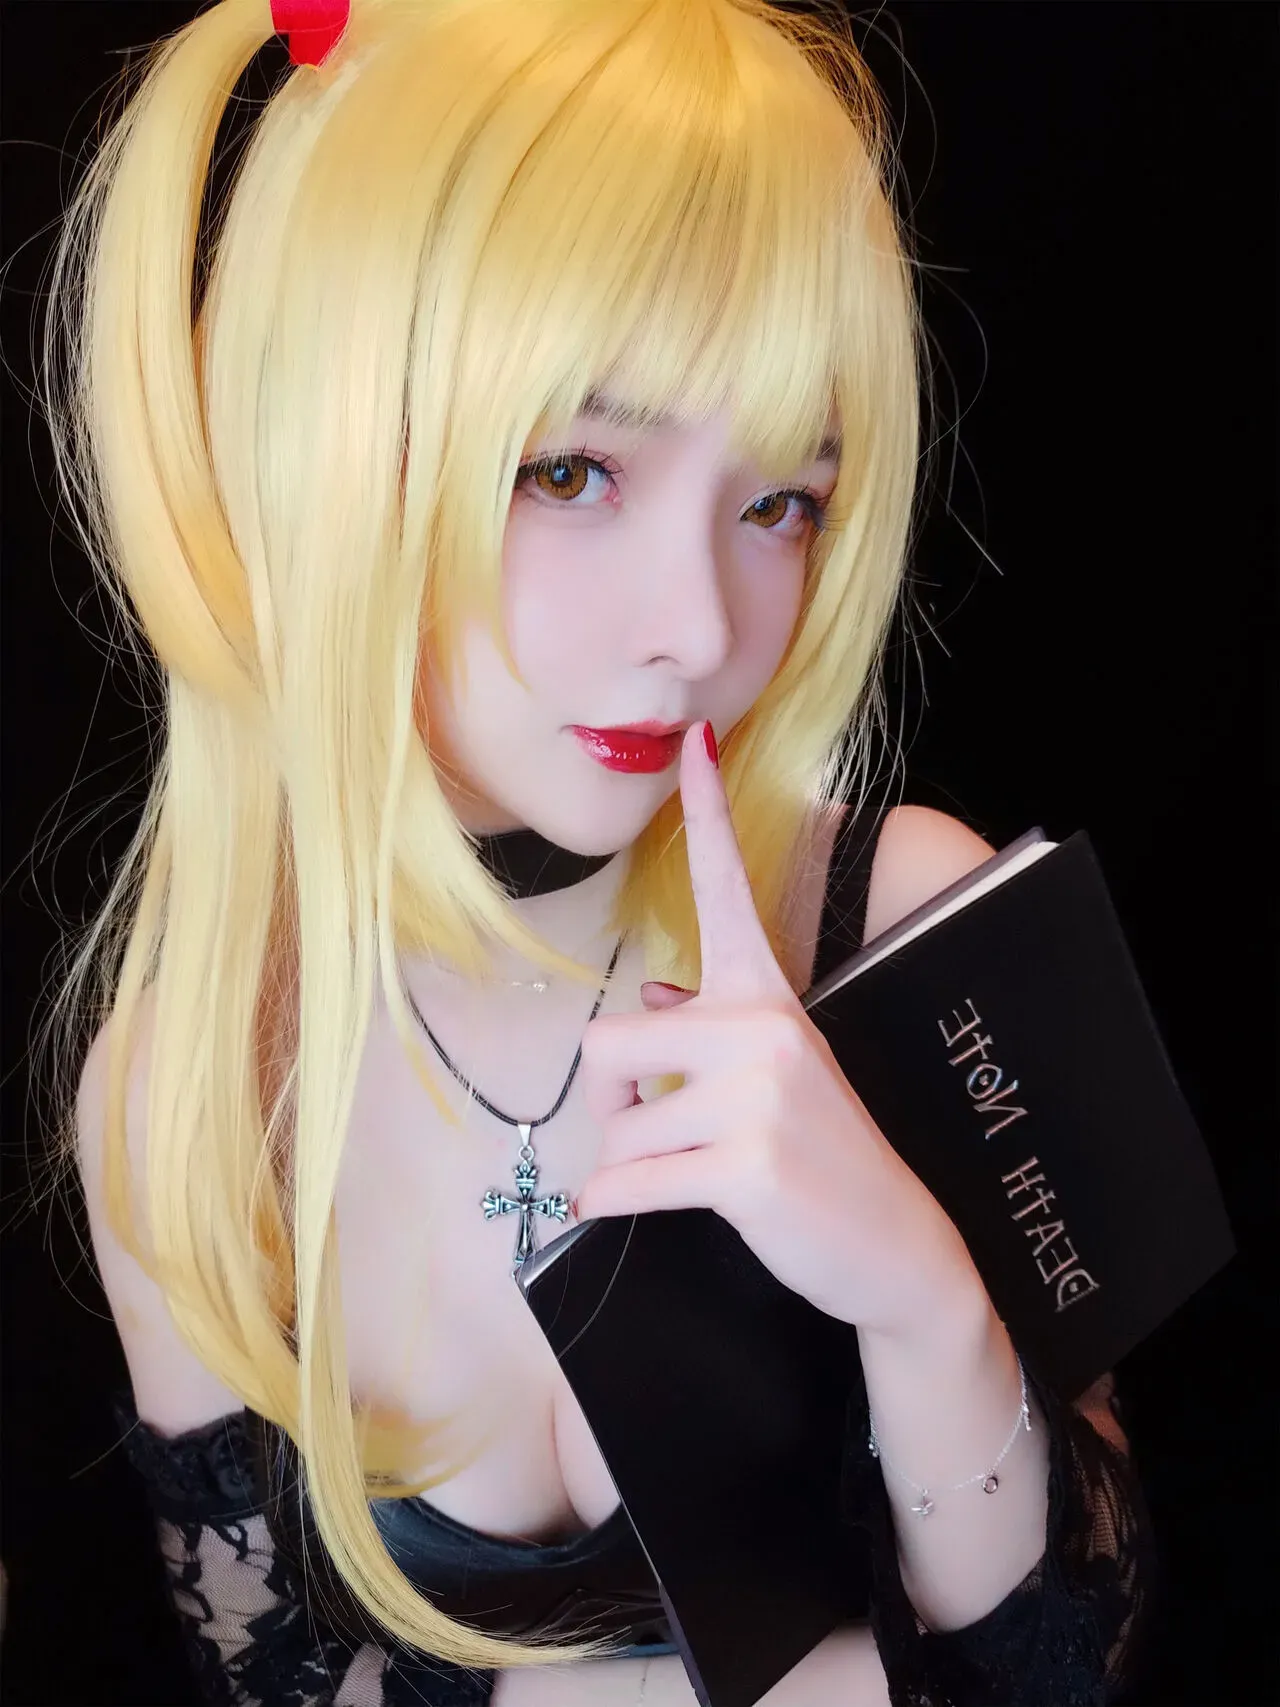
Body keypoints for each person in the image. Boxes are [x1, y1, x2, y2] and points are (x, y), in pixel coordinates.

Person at [34, 0, 1156, 1702]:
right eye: (570, 469)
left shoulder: (913, 927)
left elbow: (1082, 1653)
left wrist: (923, 1300)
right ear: (327, 453)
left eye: (780, 502)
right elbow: (266, 1675)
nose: (699, 625)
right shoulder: (190, 1093)